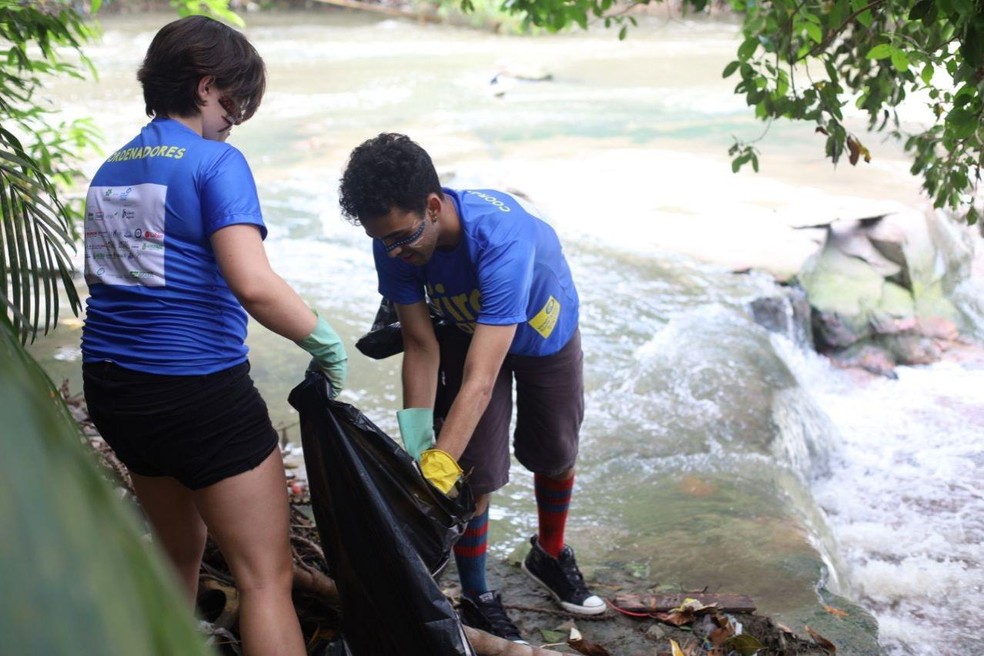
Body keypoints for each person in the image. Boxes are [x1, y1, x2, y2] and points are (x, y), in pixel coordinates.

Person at [80, 16, 347, 656]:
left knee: (177, 554)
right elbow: (253, 284)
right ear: (205, 87)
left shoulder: (110, 169)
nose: (235, 121)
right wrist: (324, 341)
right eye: (234, 103)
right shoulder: (216, 162)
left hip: (116, 391)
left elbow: (122, 283)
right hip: (198, 396)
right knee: (265, 579)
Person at [338, 133, 604, 644]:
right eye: (382, 240)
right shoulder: (393, 240)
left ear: (433, 207)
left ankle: (549, 554)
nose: (394, 251)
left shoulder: (501, 238)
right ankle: (478, 595)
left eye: (402, 238)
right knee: (473, 470)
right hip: (463, 329)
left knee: (554, 451)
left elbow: (481, 381)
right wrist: (422, 444)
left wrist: (437, 468)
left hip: (542, 332)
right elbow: (420, 344)